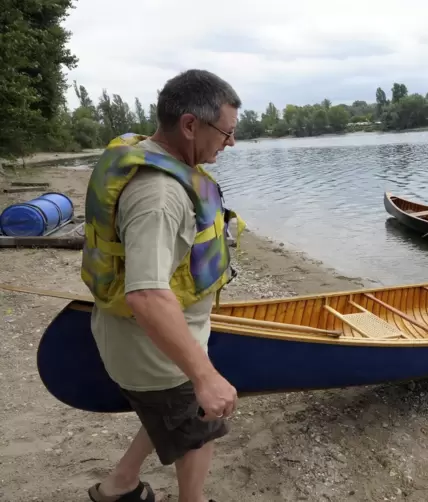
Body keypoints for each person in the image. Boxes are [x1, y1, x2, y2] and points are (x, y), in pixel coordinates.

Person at [82, 69, 246, 502]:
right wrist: (204, 375)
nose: (229, 144)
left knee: (167, 415)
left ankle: (119, 487)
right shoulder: (159, 196)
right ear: (190, 125)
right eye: (226, 134)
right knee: (201, 424)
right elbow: (147, 294)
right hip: (153, 351)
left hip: (152, 343)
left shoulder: (153, 156)